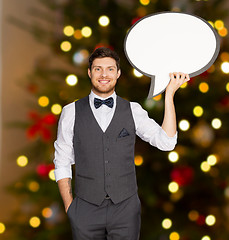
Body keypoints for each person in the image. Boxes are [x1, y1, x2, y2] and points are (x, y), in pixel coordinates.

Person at [53, 47, 190, 240]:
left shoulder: (133, 110)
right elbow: (62, 161)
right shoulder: (71, 112)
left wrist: (169, 95)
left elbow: (166, 142)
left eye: (110, 69)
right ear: (89, 72)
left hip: (125, 209)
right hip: (85, 209)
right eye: (98, 69)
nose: (104, 75)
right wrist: (70, 207)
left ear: (118, 73)